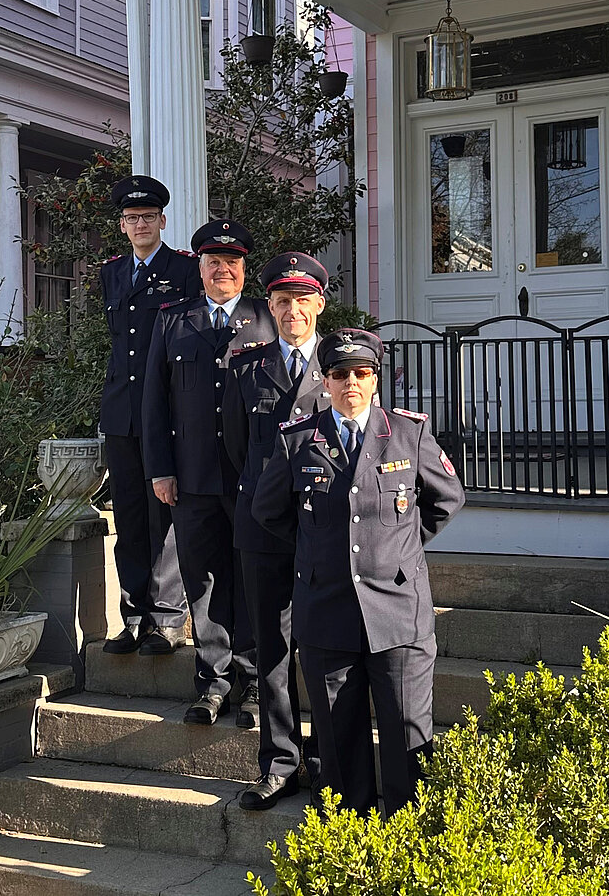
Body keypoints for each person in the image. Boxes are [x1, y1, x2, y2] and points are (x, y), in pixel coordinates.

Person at [252, 328, 465, 818]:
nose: (351, 382)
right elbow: (269, 511)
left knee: (407, 735)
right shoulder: (298, 440)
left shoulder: (408, 434)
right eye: (339, 373)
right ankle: (353, 842)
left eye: (361, 373)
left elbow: (447, 499)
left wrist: (399, 550)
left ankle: (410, 839)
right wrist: (320, 552)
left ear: (375, 380)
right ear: (325, 381)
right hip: (327, 611)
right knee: (339, 741)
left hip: (398, 613)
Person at [141, 220, 276, 727]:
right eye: (213, 262)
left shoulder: (268, 319)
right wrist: (160, 470)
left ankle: (254, 681)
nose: (223, 270)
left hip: (252, 479)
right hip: (193, 478)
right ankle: (213, 684)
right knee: (202, 583)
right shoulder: (173, 320)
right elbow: (154, 403)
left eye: (231, 262)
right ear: (199, 269)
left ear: (244, 268)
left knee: (253, 579)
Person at [223, 252, 331, 811]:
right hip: (263, 528)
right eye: (283, 301)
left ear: (320, 305)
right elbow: (236, 447)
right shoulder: (247, 367)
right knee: (272, 649)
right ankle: (279, 762)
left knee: (326, 648)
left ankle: (329, 761)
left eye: (302, 301)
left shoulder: (343, 367)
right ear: (269, 305)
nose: (293, 311)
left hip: (323, 527)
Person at [100, 175, 200, 656]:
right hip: (122, 410)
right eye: (131, 218)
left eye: (147, 217)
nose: (140, 224)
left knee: (165, 513)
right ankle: (134, 616)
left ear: (162, 221)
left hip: (166, 410)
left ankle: (166, 618)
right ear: (122, 225)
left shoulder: (185, 270)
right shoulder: (112, 273)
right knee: (129, 515)